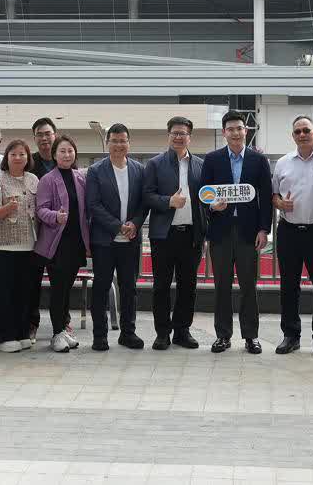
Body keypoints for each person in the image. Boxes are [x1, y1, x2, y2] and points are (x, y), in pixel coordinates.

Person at [199, 110, 273, 355]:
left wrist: (264, 229)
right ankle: (223, 335)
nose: (235, 133)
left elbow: (265, 198)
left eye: (239, 128)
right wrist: (213, 206)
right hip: (220, 231)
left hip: (249, 233)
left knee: (248, 285)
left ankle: (251, 336)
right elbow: (204, 194)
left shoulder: (258, 160)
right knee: (221, 285)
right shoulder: (212, 159)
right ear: (224, 133)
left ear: (246, 131)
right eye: (230, 129)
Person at [271, 115, 313, 356]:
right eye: (297, 131)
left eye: (306, 130)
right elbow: (274, 195)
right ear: (293, 136)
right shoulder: (283, 163)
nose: (302, 135)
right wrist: (280, 204)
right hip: (288, 230)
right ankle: (291, 335)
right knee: (288, 286)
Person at [142, 116, 206, 351]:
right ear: (168, 136)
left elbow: (205, 197)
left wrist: (214, 206)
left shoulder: (200, 165)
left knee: (188, 286)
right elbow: (147, 196)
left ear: (190, 137)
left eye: (183, 133)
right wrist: (168, 201)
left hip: (191, 235)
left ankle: (182, 331)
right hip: (164, 235)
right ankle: (162, 333)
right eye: (175, 133)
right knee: (161, 286)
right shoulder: (155, 164)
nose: (179, 137)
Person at [85, 124, 149, 351]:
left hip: (131, 239)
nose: (119, 145)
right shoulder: (96, 170)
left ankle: (128, 333)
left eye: (123, 140)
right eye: (114, 140)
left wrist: (135, 223)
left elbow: (144, 203)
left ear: (129, 143)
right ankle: (99, 335)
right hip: (104, 240)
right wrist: (118, 226)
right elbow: (93, 205)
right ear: (107, 143)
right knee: (101, 287)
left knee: (129, 288)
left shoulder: (139, 170)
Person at [37, 134, 90, 352]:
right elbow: (41, 209)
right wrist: (55, 217)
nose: (67, 155)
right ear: (54, 155)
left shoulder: (80, 178)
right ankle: (56, 333)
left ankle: (63, 330)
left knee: (67, 288)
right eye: (62, 151)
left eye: (70, 150)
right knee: (58, 288)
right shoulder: (47, 179)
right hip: (56, 243)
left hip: (76, 241)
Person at [0, 139, 41, 352]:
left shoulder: (33, 179)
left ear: (28, 158)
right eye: (13, 154)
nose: (18, 158)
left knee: (23, 293)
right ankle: (1, 338)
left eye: (22, 154)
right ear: (6, 158)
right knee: (3, 294)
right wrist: (8, 207)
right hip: (2, 246)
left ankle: (21, 333)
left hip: (29, 245)